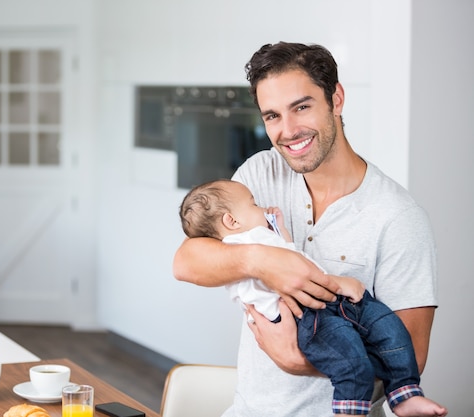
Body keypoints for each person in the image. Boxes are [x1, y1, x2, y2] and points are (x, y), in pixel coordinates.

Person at [173, 41, 443, 417]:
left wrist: (298, 360)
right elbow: (187, 261)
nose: (288, 131)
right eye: (272, 116)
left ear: (336, 99)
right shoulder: (259, 174)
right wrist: (263, 261)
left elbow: (410, 353)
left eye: (301, 107)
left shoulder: (398, 217)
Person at [179, 178, 447, 417]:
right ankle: (350, 409)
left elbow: (289, 254)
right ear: (232, 221)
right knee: (352, 357)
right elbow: (293, 279)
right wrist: (338, 283)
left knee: (390, 328)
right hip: (308, 316)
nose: (261, 207)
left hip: (334, 305)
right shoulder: (236, 245)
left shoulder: (400, 213)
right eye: (254, 204)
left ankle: (405, 393)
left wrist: (279, 228)